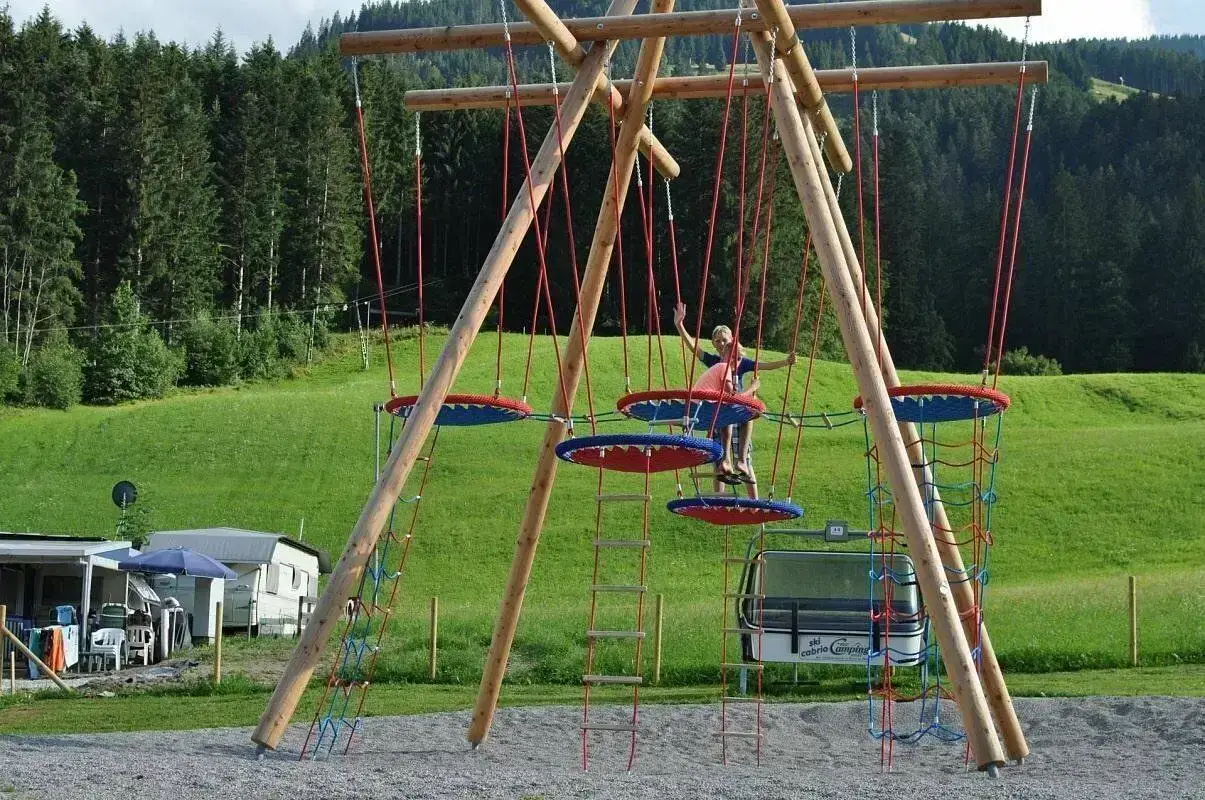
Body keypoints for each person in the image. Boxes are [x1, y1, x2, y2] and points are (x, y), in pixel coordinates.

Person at [674, 302, 796, 495]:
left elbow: (764, 365)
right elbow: (694, 348)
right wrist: (680, 325)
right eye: (717, 341)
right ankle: (719, 497)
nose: (721, 344)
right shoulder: (715, 362)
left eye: (724, 340)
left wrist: (786, 362)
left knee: (744, 455)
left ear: (732, 341)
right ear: (713, 344)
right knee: (719, 457)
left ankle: (753, 500)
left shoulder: (741, 363)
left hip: (737, 410)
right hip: (722, 412)